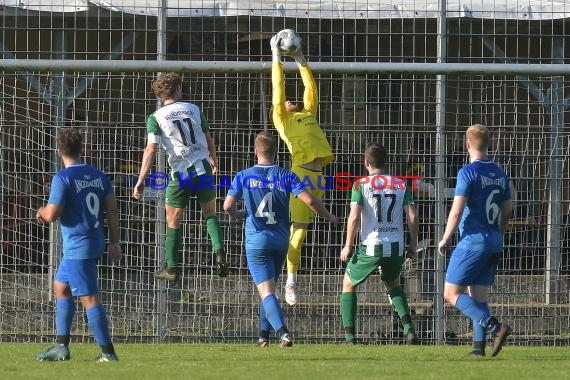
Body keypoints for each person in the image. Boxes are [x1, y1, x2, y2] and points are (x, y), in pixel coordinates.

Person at [223, 132, 338, 347]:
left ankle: (284, 332)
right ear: (276, 153)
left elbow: (227, 206)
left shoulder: (244, 176)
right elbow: (309, 200)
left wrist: (238, 215)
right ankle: (263, 337)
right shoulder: (287, 175)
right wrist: (328, 216)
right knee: (269, 290)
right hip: (281, 240)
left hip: (257, 241)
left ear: (255, 151)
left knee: (266, 291)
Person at [35, 128, 121, 362]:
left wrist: (40, 212)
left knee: (89, 299)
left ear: (58, 151)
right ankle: (61, 346)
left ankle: (108, 353)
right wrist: (115, 242)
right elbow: (111, 209)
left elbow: (52, 214)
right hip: (94, 240)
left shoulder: (62, 178)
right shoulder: (98, 176)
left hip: (78, 246)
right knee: (61, 286)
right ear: (81, 149)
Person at [133, 72, 227, 282]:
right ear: (177, 90)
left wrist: (141, 179)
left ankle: (172, 268)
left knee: (173, 220)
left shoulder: (155, 117)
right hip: (203, 170)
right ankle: (219, 251)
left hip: (181, 175)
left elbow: (151, 150)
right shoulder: (194, 109)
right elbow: (208, 139)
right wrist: (214, 159)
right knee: (210, 214)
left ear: (160, 95)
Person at [270, 33, 335, 306]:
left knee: (304, 232)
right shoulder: (282, 119)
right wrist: (276, 57)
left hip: (319, 175)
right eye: (285, 103)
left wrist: (300, 60)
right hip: (301, 175)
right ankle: (290, 281)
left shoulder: (308, 114)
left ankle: (288, 277)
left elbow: (311, 89)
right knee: (297, 232)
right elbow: (279, 89)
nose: (289, 101)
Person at [438, 124, 513, 357]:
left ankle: (495, 327)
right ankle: (478, 349)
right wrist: (498, 233)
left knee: (450, 293)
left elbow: (457, 211)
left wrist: (445, 237)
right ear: (488, 144)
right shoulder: (500, 173)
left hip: (472, 241)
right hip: (493, 241)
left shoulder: (467, 172)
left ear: (467, 143)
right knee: (478, 296)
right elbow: (509, 209)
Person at [340, 142, 420, 345]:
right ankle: (409, 329)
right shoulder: (401, 183)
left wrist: (348, 245)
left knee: (348, 284)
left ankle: (350, 338)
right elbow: (412, 215)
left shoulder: (360, 184)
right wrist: (413, 243)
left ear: (366, 162)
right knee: (392, 283)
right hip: (395, 245)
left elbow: (354, 217)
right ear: (386, 162)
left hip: (372, 244)